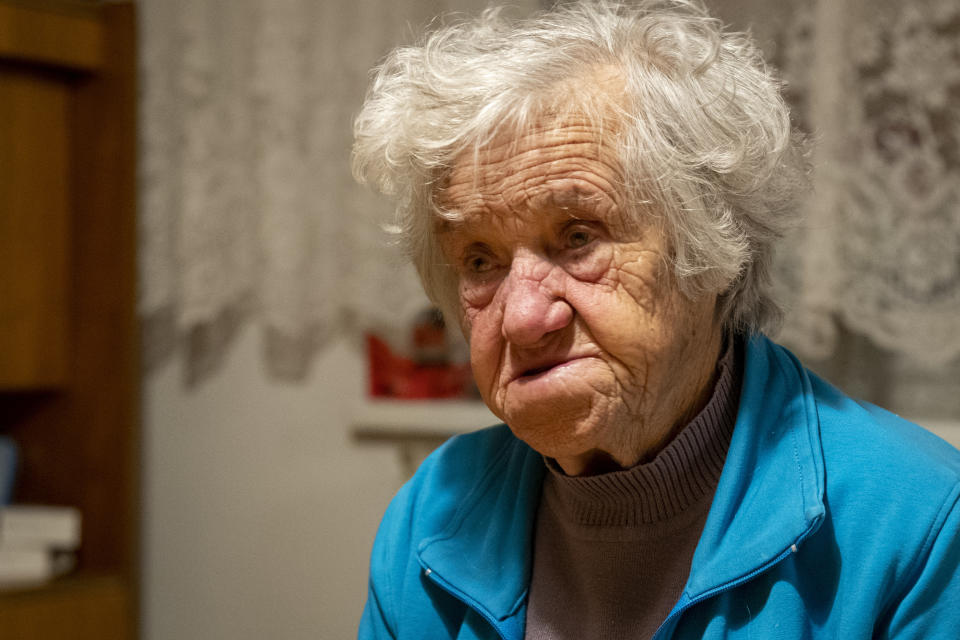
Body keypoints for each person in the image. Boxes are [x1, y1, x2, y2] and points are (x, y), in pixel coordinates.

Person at [351, 1, 960, 638]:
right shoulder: (432, 517)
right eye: (480, 259)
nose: (524, 317)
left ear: (710, 247)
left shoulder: (916, 524)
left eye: (578, 237)